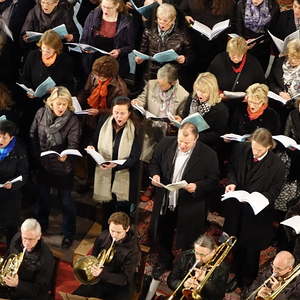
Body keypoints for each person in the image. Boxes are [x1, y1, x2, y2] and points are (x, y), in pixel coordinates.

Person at [149, 122, 219, 277]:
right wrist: (156, 175)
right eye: (180, 141)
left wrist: (197, 186)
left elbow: (213, 180)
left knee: (189, 238)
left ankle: (184, 267)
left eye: (187, 143)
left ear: (196, 138)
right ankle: (164, 260)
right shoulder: (166, 143)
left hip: (190, 206)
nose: (182, 145)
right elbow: (154, 163)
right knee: (163, 232)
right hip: (166, 200)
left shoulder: (208, 154)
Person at [222, 128, 285, 288]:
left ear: (269, 147)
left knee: (251, 249)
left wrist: (261, 198)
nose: (255, 152)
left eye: (259, 150)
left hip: (258, 213)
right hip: (237, 208)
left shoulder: (277, 164)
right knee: (235, 242)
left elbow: (275, 189)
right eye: (253, 148)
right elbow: (232, 170)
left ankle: (247, 280)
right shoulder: (242, 149)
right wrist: (231, 183)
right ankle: (236, 274)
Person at [30, 86, 81, 249]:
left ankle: (68, 234)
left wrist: (66, 156)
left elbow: (74, 143)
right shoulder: (40, 113)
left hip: (63, 167)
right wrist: (37, 156)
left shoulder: (72, 120)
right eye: (58, 104)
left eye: (64, 105)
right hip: (44, 164)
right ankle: (42, 227)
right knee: (43, 199)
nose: (61, 108)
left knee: (66, 202)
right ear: (51, 103)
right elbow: (33, 135)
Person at [86, 96, 143, 227]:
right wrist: (91, 147)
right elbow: (94, 141)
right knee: (107, 211)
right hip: (105, 173)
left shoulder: (136, 128)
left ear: (129, 113)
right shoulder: (104, 121)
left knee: (123, 212)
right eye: (116, 112)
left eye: (122, 113)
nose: (119, 116)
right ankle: (106, 235)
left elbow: (134, 158)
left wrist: (116, 164)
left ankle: (123, 239)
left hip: (125, 176)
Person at [71, 212, 140, 300]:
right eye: (112, 230)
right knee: (76, 296)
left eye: (119, 232)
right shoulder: (103, 236)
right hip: (100, 278)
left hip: (119, 285)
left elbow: (124, 279)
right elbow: (94, 257)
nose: (114, 235)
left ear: (127, 229)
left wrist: (102, 274)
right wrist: (93, 268)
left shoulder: (134, 251)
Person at [20, 30, 75, 134]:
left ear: (56, 49)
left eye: (48, 50)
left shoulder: (65, 60)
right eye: (43, 48)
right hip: (33, 101)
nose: (45, 52)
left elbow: (70, 84)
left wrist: (57, 89)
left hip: (54, 103)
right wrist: (29, 90)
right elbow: (24, 78)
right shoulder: (33, 56)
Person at [132, 63, 189, 162]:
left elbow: (182, 115)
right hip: (148, 128)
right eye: (158, 81)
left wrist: (179, 118)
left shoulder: (183, 95)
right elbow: (142, 99)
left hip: (166, 133)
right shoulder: (151, 84)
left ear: (173, 83)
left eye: (162, 85)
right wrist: (137, 102)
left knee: (157, 160)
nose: (158, 85)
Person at [0, 218, 55, 300]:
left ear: (39, 236)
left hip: (27, 293)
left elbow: (41, 291)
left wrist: (18, 284)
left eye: (31, 239)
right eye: (24, 238)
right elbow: (8, 255)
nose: (27, 242)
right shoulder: (16, 239)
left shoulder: (46, 258)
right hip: (9, 287)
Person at [135, 3, 191, 82]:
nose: (161, 23)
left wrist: (184, 59)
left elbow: (190, 55)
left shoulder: (182, 34)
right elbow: (143, 50)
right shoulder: (149, 31)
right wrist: (140, 59)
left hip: (171, 74)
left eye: (165, 20)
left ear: (173, 19)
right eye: (159, 19)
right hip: (152, 73)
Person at [179, 0, 234, 79]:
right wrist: (185, 16)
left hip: (219, 42)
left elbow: (231, 19)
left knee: (216, 71)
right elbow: (181, 11)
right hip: (197, 42)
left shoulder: (226, 2)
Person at [167, 234, 230, 300]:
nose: (198, 258)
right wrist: (183, 284)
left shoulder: (222, 268)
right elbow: (171, 280)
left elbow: (219, 296)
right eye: (196, 253)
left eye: (203, 255)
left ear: (213, 252)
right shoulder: (185, 256)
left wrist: (205, 282)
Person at [80, 0, 134, 77]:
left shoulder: (127, 21)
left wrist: (119, 51)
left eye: (109, 8)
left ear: (117, 6)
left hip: (114, 64)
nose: (105, 10)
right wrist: (84, 47)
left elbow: (130, 46)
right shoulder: (92, 15)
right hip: (92, 61)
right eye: (103, 6)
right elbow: (84, 39)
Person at [179, 72, 229, 150]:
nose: (199, 94)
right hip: (186, 140)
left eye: (203, 92)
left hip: (206, 146)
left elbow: (218, 134)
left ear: (211, 91)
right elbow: (185, 115)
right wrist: (180, 120)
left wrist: (195, 137)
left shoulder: (221, 110)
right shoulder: (192, 97)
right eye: (198, 90)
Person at [0, 120, 28, 247]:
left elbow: (24, 175)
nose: (0, 140)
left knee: (10, 228)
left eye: (4, 137)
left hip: (10, 196)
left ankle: (10, 253)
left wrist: (12, 184)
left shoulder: (19, 151)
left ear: (11, 138)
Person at [234, 0, 279, 71]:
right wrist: (243, 43)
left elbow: (273, 31)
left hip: (263, 46)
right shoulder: (241, 4)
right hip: (245, 45)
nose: (255, 1)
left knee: (259, 71)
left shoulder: (273, 6)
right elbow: (238, 27)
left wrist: (258, 41)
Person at [268, 39, 300, 126]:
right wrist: (280, 92)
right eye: (291, 57)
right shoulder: (279, 62)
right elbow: (270, 82)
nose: (293, 60)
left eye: (297, 58)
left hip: (297, 109)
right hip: (281, 106)